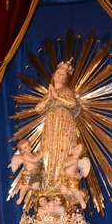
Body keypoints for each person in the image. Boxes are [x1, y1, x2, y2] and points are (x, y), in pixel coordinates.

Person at [35, 59, 78, 193]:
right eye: (57, 73)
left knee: (63, 151)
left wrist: (57, 97)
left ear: (65, 79)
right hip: (51, 125)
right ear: (53, 75)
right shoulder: (47, 94)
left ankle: (63, 186)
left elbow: (72, 104)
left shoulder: (67, 91)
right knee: (49, 151)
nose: (59, 75)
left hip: (64, 123)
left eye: (62, 74)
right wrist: (49, 97)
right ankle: (49, 187)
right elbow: (38, 109)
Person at [10, 139, 43, 205]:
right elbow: (33, 160)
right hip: (29, 174)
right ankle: (21, 198)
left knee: (36, 187)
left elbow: (38, 162)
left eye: (28, 145)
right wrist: (41, 155)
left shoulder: (32, 154)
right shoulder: (25, 156)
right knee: (26, 186)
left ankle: (24, 186)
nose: (28, 148)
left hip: (36, 174)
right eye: (25, 147)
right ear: (22, 150)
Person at [61, 143, 88, 209]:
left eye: (78, 148)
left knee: (74, 190)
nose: (75, 148)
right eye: (76, 147)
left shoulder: (75, 160)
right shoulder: (71, 157)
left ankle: (82, 201)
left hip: (71, 178)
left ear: (80, 153)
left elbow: (64, 164)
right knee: (63, 191)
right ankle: (76, 197)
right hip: (65, 177)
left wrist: (65, 159)